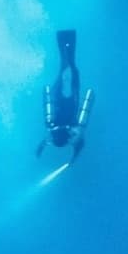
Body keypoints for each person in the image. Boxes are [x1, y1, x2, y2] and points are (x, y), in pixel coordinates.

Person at [36, 28, 94, 164]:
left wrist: (73, 159)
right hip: (58, 97)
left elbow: (79, 145)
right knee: (65, 67)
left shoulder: (73, 128)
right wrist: (39, 151)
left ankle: (65, 41)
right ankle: (64, 40)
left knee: (69, 66)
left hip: (70, 97)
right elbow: (43, 144)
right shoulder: (52, 127)